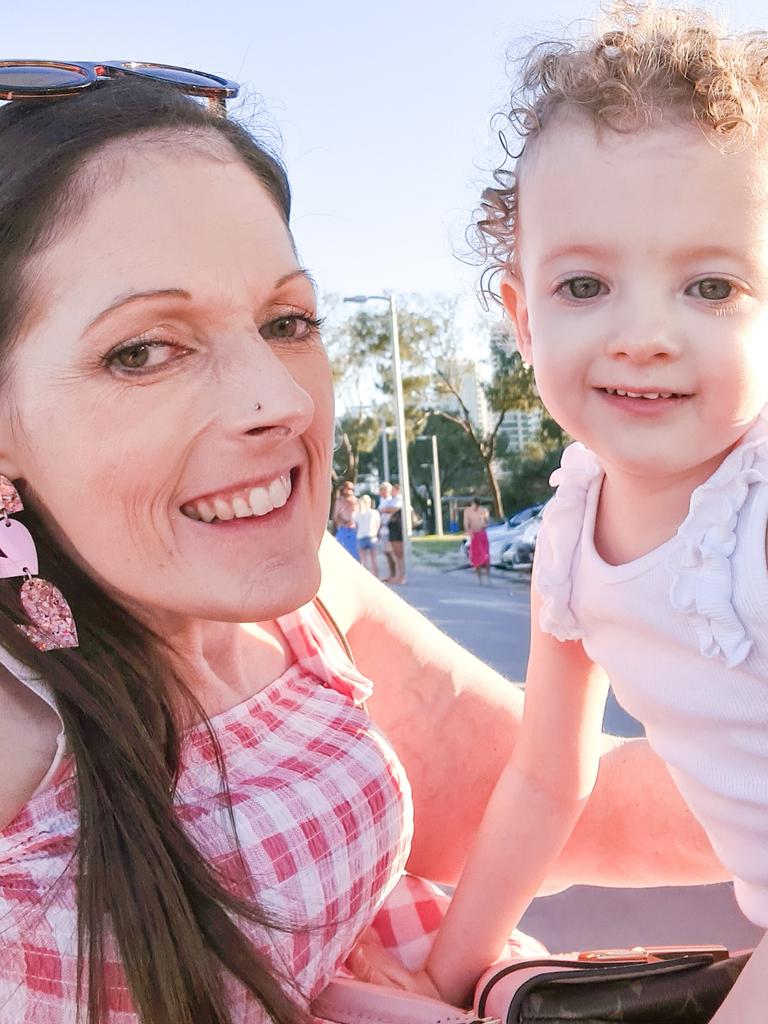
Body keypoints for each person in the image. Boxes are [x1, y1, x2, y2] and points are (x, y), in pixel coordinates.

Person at [0, 59, 734, 1024]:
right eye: (145, 350)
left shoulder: (308, 596)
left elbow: (548, 791)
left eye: (286, 321)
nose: (282, 400)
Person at [350, 3, 768, 1017]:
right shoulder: (575, 526)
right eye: (586, 284)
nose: (643, 335)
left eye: (710, 287)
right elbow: (544, 783)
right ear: (522, 317)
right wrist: (449, 974)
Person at [463, 498, 490, 584]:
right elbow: (466, 523)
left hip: (482, 535)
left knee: (486, 556)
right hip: (474, 535)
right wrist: (468, 531)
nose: (476, 508)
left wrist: (484, 522)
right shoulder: (467, 511)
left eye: (477, 506)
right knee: (476, 557)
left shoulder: (483, 511)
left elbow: (486, 522)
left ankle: (487, 576)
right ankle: (479, 579)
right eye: (474, 505)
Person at [376, 480, 400, 581]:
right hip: (382, 529)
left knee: (392, 552)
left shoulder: (390, 501)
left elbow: (392, 510)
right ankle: (391, 573)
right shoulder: (381, 501)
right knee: (386, 552)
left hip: (389, 528)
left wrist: (383, 511)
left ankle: (396, 574)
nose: (380, 492)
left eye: (382, 489)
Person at [332, 480, 359, 560]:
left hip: (355, 530)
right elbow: (335, 516)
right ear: (344, 489)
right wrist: (343, 523)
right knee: (342, 553)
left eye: (351, 489)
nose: (350, 491)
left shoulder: (356, 500)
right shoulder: (340, 501)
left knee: (356, 555)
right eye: (348, 488)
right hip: (343, 529)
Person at [355, 494, 381, 577]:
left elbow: (356, 526)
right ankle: (376, 577)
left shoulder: (358, 514)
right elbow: (378, 525)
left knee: (363, 560)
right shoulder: (374, 512)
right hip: (372, 536)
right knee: (374, 560)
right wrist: (376, 533)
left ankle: (364, 578)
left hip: (361, 536)